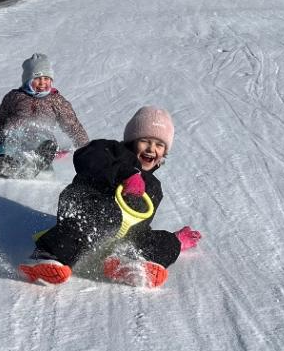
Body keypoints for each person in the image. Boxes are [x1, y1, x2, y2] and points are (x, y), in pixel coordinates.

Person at [20, 105, 201, 288]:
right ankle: (47, 257)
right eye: (145, 141)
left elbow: (140, 224)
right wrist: (127, 173)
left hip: (116, 236)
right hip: (83, 209)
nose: (151, 149)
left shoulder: (154, 187)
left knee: (166, 241)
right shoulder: (111, 150)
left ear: (164, 153)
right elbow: (85, 156)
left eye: (159, 145)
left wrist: (174, 241)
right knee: (108, 214)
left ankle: (128, 262)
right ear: (133, 140)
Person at [0, 53, 90, 178]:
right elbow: (1, 118)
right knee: (10, 140)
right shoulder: (15, 97)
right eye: (37, 78)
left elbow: (72, 124)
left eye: (46, 78)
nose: (42, 83)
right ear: (27, 79)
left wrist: (86, 148)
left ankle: (38, 164)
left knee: (46, 143)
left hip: (41, 137)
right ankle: (5, 163)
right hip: (15, 134)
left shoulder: (56, 100)